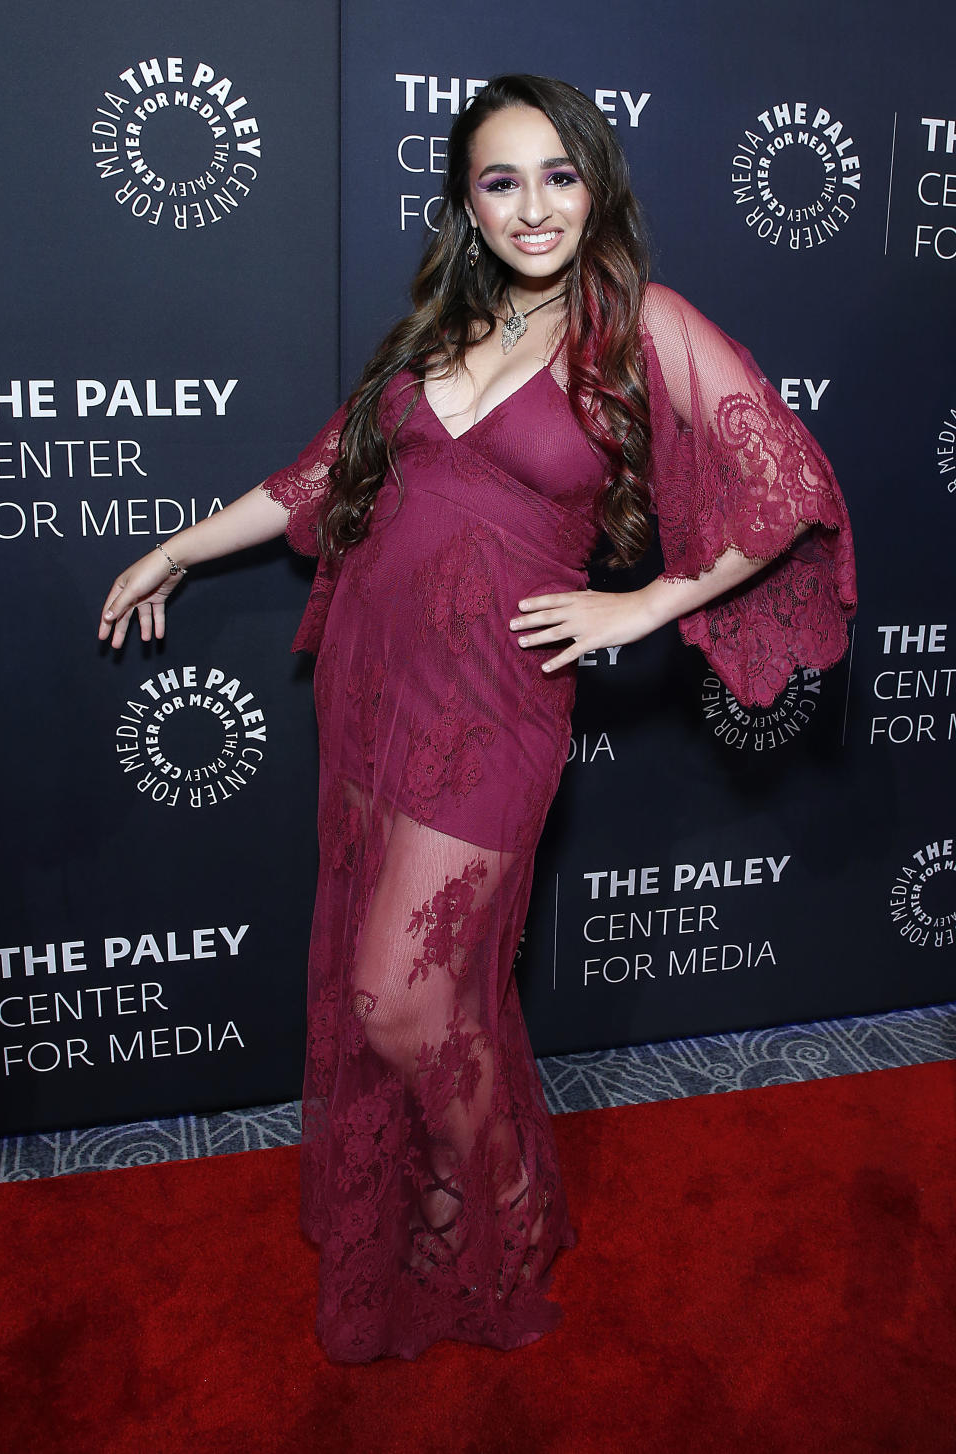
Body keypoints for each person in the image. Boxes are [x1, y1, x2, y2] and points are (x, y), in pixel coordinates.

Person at [98, 74, 857, 1363]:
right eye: (502, 180)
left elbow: (789, 482)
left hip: (496, 704)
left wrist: (646, 607)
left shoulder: (639, 325)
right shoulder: (440, 330)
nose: (534, 206)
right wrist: (174, 548)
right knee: (415, 990)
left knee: (399, 999)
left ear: (597, 185)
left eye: (560, 174)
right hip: (375, 680)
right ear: (465, 199)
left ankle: (500, 1208)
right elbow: (322, 476)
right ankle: (464, 1188)